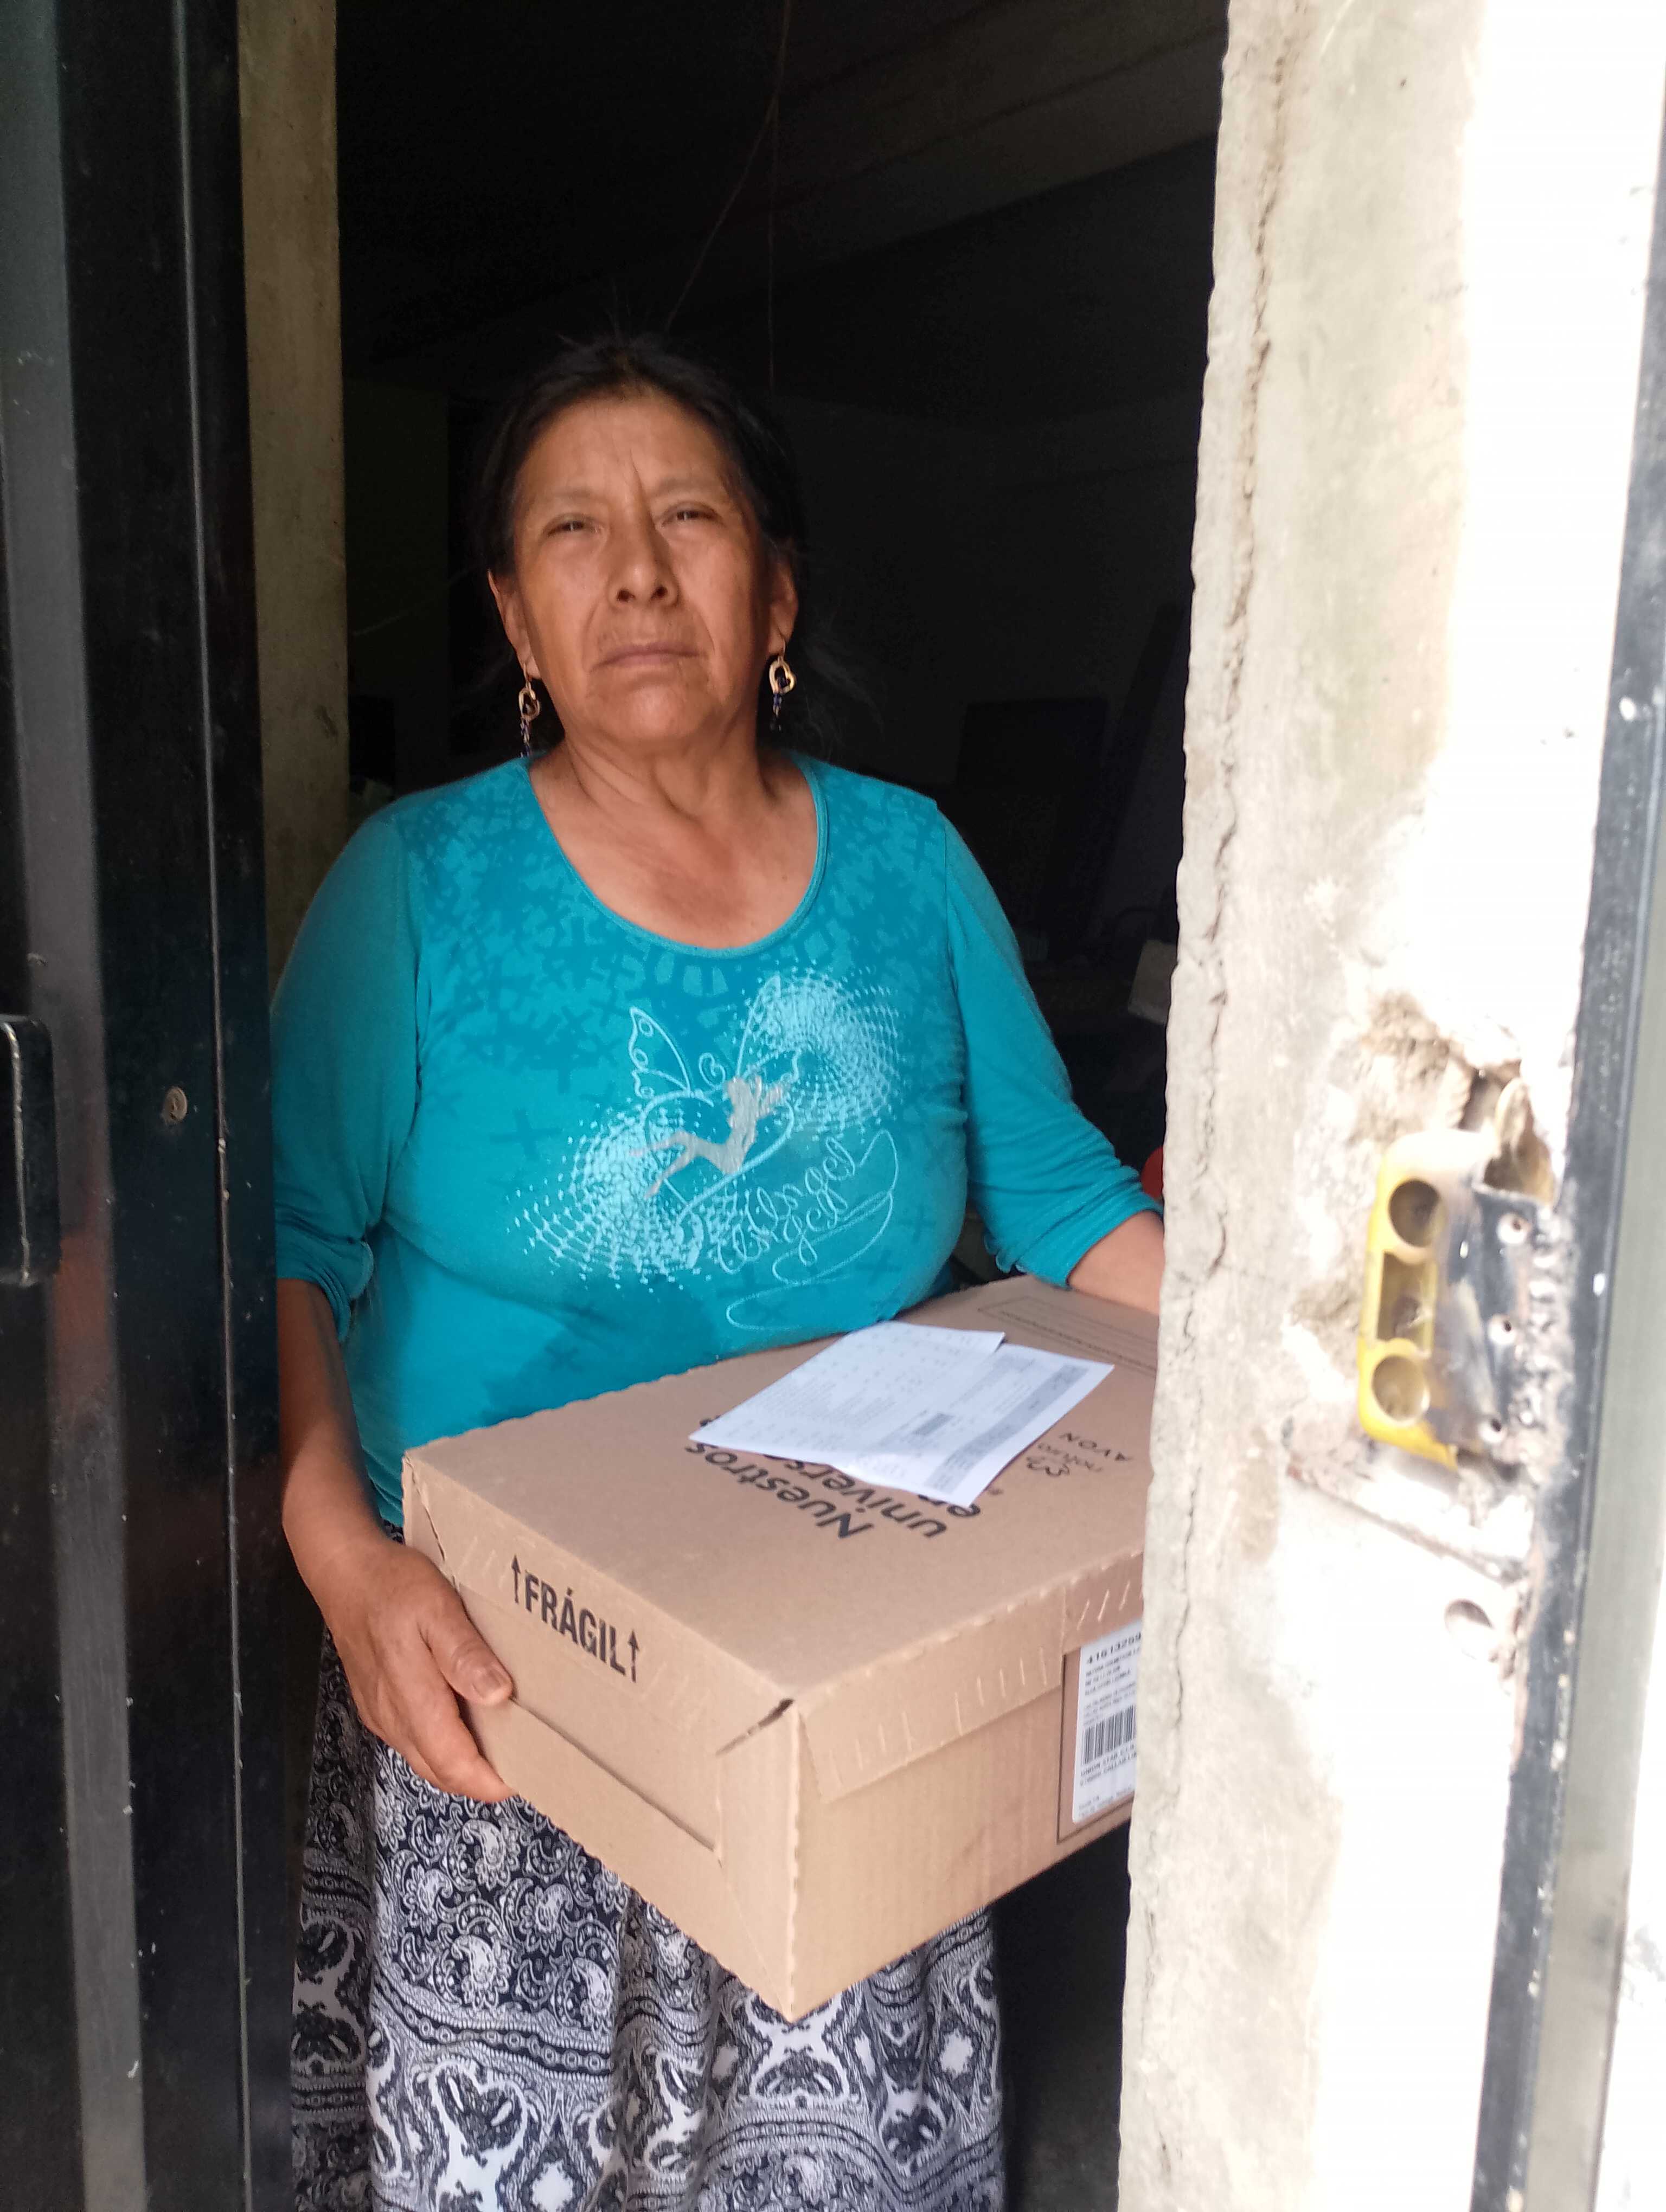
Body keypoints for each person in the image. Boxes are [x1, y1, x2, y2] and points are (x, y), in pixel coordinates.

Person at [277, 336, 1164, 2212]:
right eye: (572, 532)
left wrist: (1309, 1409)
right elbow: (291, 1246)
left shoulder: (911, 867)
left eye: (688, 517)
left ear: (774, 592)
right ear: (516, 617)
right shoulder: (416, 887)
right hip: (504, 1677)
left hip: (844, 1661)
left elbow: (1063, 1201)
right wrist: (336, 1550)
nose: (636, 572)